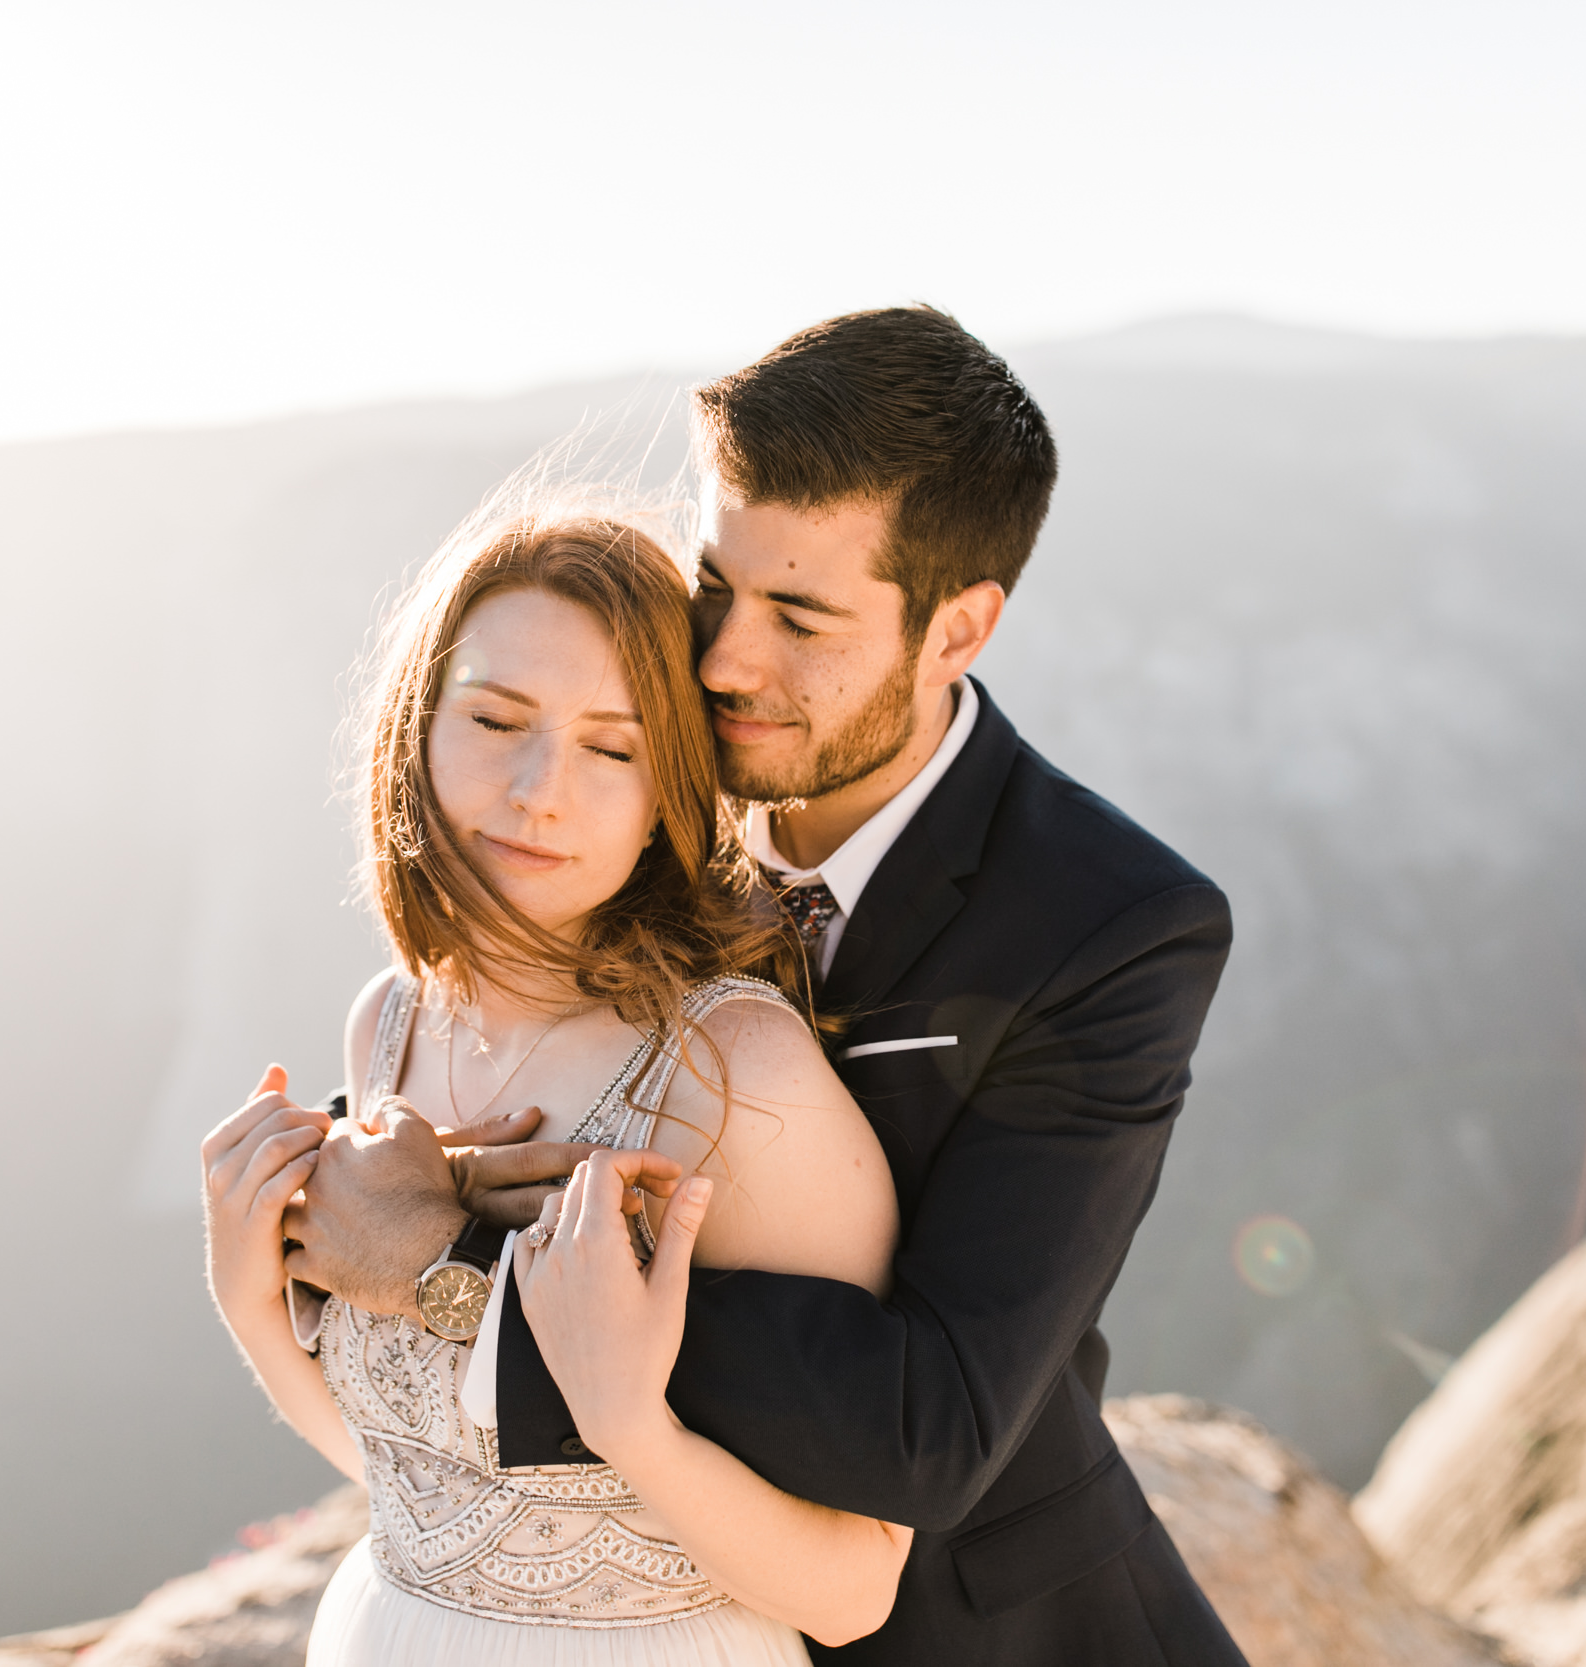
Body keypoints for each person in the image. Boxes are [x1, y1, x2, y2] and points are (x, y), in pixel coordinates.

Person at [276, 307, 1245, 1663]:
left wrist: (454, 1264)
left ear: (958, 627)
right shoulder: (634, 790)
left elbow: (931, 1421)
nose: (725, 659)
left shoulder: (1111, 925)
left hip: (979, 1630)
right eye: (716, 584)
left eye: (801, 617)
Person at [202, 503, 918, 1664]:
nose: (540, 788)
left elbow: (853, 1584)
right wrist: (247, 1283)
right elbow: (418, 1474)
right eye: (496, 718)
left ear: (668, 797)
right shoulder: (387, 1024)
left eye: (612, 746)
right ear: (417, 728)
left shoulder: (741, 1076)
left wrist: (628, 1421)